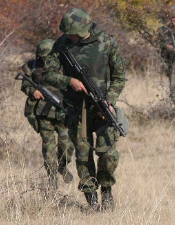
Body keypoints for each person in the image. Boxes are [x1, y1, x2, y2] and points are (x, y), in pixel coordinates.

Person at [42, 8, 126, 211]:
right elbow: (47, 74)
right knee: (82, 153)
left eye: (71, 32)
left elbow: (119, 77)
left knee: (108, 153)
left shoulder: (107, 42)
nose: (68, 36)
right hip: (75, 108)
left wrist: (109, 100)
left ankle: (106, 191)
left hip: (103, 106)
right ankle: (91, 196)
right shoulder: (62, 44)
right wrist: (69, 81)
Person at [20, 39, 75, 190]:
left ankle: (62, 166)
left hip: (63, 111)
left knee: (67, 145)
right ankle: (51, 177)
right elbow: (25, 84)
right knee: (48, 146)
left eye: (48, 56)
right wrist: (32, 91)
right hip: (43, 112)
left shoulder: (65, 66)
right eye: (42, 57)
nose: (45, 60)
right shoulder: (32, 66)